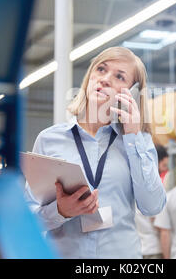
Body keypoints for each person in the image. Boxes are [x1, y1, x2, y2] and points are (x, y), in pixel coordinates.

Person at [24, 47, 167, 259]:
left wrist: (133, 136)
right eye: (101, 69)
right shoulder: (49, 139)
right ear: (90, 76)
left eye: (119, 76)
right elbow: (29, 217)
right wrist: (60, 211)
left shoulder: (139, 142)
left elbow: (152, 206)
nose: (106, 79)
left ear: (133, 92)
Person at [134, 145, 168, 259]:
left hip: (139, 247)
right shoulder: (153, 187)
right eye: (164, 164)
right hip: (154, 247)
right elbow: (158, 222)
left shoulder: (136, 183)